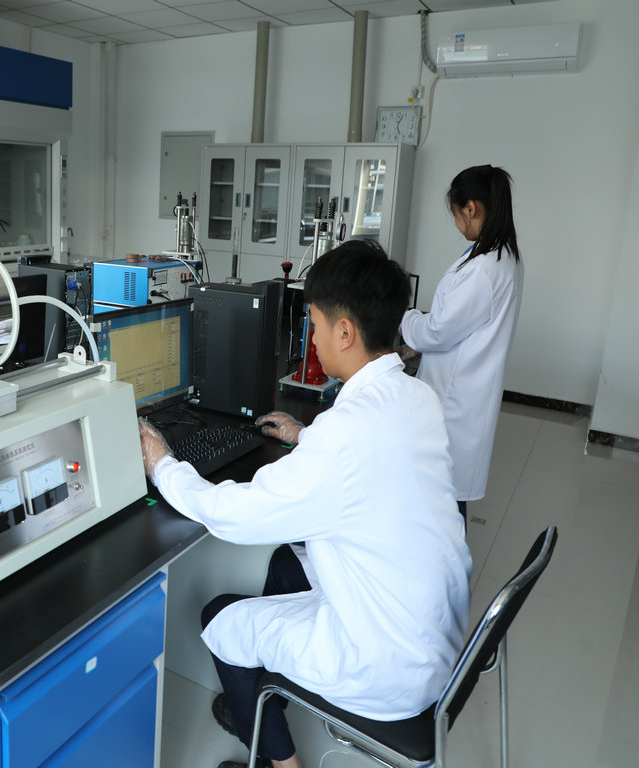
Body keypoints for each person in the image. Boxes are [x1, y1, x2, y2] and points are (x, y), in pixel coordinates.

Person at [138, 241, 471, 768]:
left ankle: (280, 762)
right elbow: (371, 461)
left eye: (314, 325)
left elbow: (235, 516)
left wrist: (162, 464)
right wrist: (306, 436)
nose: (311, 340)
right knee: (286, 564)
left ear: (346, 332)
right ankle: (265, 700)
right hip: (432, 634)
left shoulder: (345, 436)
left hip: (385, 666)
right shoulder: (417, 397)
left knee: (220, 620)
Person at [400, 165, 524, 519]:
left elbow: (437, 332)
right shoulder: (500, 257)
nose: (457, 223)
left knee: (444, 500)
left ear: (470, 208)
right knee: (446, 496)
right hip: (464, 390)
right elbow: (456, 324)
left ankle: (447, 555)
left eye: (455, 213)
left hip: (455, 400)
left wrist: (404, 316)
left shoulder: (484, 270)